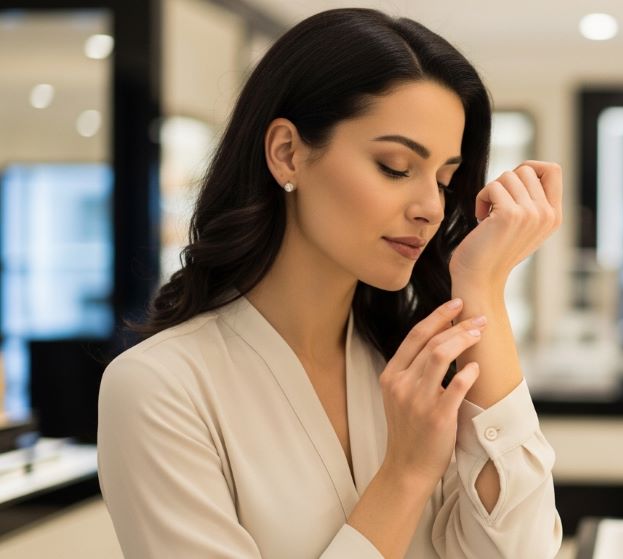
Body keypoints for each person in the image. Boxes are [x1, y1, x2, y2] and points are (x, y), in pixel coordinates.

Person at [97, 8, 563, 558]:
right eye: (395, 166)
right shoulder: (160, 388)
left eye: (445, 179)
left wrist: (481, 285)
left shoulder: (411, 370)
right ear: (287, 153)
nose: (432, 208)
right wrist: (406, 474)